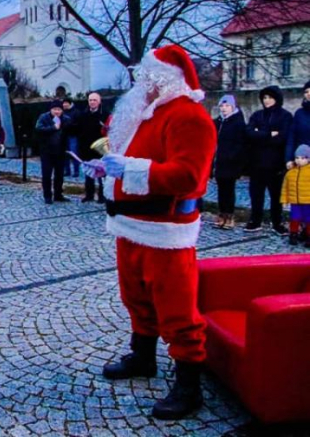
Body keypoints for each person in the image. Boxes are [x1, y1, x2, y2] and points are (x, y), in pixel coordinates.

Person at [89, 45, 216, 420]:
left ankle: (189, 385)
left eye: (146, 76)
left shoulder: (189, 117)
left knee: (176, 307)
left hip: (165, 231)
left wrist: (127, 168)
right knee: (135, 295)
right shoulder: (146, 114)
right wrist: (108, 170)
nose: (139, 82)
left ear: (164, 79)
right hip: (129, 225)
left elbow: (189, 177)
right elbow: (133, 161)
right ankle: (144, 355)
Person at [245, 86, 292, 234]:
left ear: (277, 99)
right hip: (256, 163)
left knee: (276, 196)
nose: (267, 101)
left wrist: (261, 135)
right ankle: (255, 220)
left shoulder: (285, 116)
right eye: (264, 98)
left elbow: (282, 138)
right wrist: (269, 134)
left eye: (270, 97)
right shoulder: (257, 115)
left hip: (275, 164)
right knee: (256, 194)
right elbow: (249, 133)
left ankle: (277, 222)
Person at [212, 95, 247, 229]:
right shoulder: (218, 122)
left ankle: (229, 215)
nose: (224, 109)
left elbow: (241, 144)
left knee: (229, 189)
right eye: (222, 106)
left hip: (230, 162)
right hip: (219, 161)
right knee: (220, 190)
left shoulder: (238, 123)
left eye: (227, 106)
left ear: (233, 107)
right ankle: (221, 214)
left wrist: (233, 157)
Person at [35, 100, 70, 204]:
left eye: (59, 109)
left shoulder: (66, 119)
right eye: (55, 109)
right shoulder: (44, 117)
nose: (57, 112)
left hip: (60, 151)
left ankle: (58, 194)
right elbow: (39, 128)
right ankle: (47, 196)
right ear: (51, 109)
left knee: (59, 175)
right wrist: (53, 128)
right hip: (47, 151)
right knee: (46, 175)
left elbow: (70, 130)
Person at [77, 92, 108, 203]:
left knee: (102, 173)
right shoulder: (83, 115)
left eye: (94, 100)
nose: (92, 102)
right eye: (90, 100)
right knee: (88, 173)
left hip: (100, 148)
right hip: (87, 147)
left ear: (99, 101)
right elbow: (78, 130)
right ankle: (89, 194)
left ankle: (102, 195)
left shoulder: (105, 115)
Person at [281, 144, 310, 247]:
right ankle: (293, 234)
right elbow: (285, 188)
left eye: (303, 158)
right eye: (297, 158)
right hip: (295, 201)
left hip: (308, 202)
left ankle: (308, 236)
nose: (299, 160)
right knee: (295, 218)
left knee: (308, 219)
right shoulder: (290, 173)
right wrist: (284, 200)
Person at [285, 80, 310, 162]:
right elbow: (292, 137)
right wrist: (289, 159)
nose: (309, 94)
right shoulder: (299, 113)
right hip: (302, 160)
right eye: (306, 92)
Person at [62, 98, 81, 177]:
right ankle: (67, 170)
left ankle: (76, 171)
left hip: (73, 136)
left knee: (74, 154)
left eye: (66, 103)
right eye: (64, 103)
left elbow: (79, 124)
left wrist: (69, 125)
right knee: (65, 154)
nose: (64, 105)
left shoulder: (76, 112)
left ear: (70, 103)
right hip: (64, 136)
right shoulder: (62, 112)